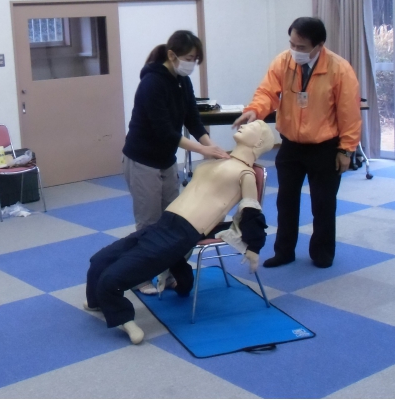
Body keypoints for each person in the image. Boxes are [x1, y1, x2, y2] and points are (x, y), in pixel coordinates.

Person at [86, 120, 274, 344]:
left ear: (259, 142)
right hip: (164, 223)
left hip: (182, 233)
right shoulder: (215, 162)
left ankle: (124, 319)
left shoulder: (245, 173)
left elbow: (251, 211)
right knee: (99, 260)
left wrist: (254, 247)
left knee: (112, 279)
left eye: (252, 126)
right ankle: (97, 302)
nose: (244, 125)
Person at [233, 17, 361, 269]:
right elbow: (267, 93)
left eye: (301, 47)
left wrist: (347, 150)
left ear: (319, 45)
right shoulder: (283, 61)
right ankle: (284, 251)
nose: (294, 50)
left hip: (325, 146)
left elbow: (349, 114)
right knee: (285, 202)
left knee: (323, 203)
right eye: (292, 43)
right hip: (291, 144)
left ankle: (322, 252)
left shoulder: (339, 69)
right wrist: (255, 111)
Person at [122, 30, 230, 294]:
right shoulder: (151, 83)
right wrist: (204, 150)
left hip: (166, 160)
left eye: (195, 59)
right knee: (148, 223)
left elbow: (192, 119)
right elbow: (166, 132)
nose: (192, 63)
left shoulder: (183, 81)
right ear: (172, 55)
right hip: (142, 160)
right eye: (189, 58)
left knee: (171, 221)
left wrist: (211, 146)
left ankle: (168, 274)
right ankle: (140, 277)